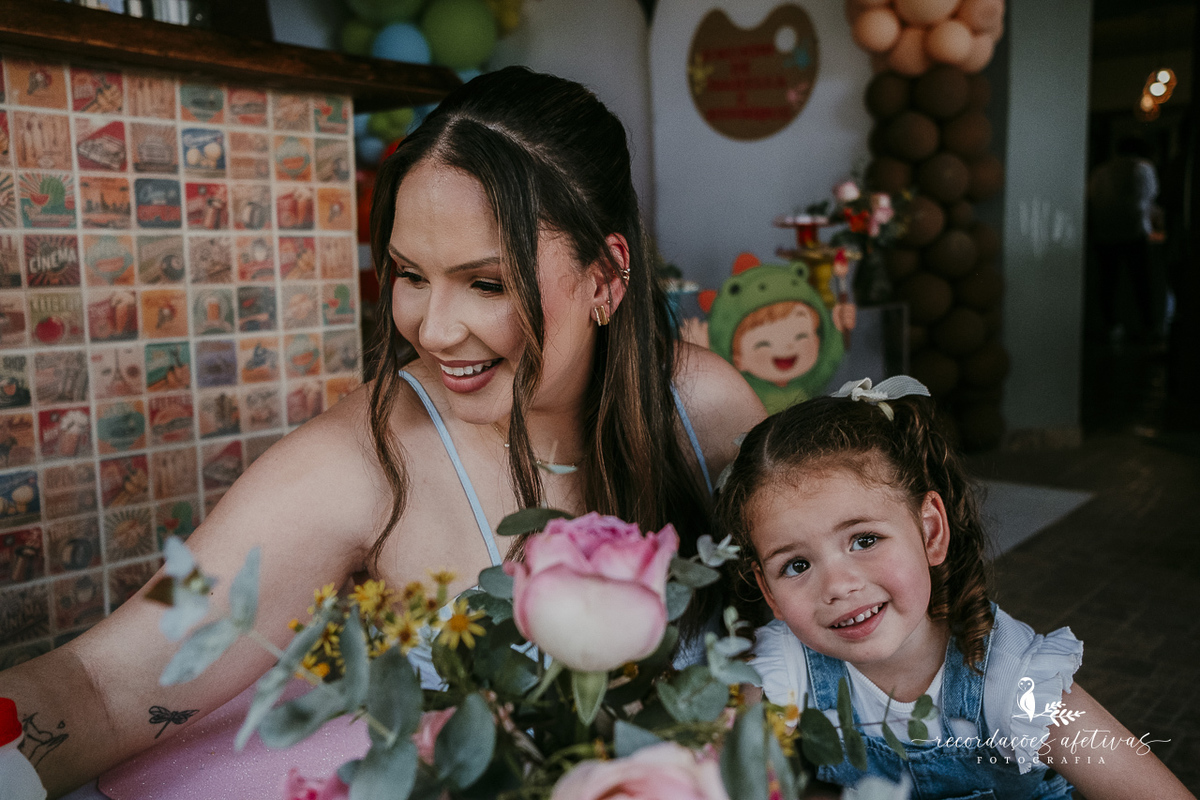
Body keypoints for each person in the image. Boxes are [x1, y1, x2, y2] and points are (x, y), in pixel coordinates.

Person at [0, 67, 766, 797]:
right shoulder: (357, 462)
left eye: (486, 283)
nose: (432, 329)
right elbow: (107, 683)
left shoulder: (705, 410)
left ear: (605, 276)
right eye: (409, 275)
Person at [716, 377, 1194, 798]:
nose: (839, 585)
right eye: (796, 565)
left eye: (864, 540)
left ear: (930, 531)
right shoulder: (784, 670)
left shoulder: (1014, 684)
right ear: (769, 591)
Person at [1088, 135, 1160, 342]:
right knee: (1140, 282)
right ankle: (1147, 325)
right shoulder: (1142, 167)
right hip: (1133, 232)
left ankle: (1110, 324)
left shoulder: (1101, 170)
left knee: (1108, 282)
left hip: (1105, 234)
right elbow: (1149, 198)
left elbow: (1093, 199)